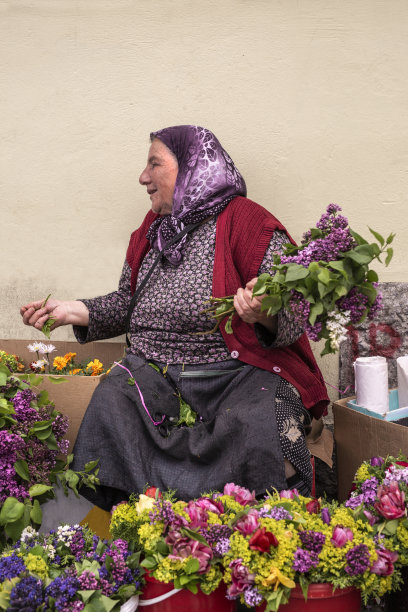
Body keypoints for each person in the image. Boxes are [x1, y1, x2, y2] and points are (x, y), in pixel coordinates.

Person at [20, 125, 329, 511]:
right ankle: (140, 527)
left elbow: (292, 311)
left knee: (260, 422)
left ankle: (260, 530)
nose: (143, 177)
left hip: (237, 376)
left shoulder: (248, 223)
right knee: (112, 402)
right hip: (155, 374)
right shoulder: (151, 231)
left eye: (154, 164)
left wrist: (265, 311)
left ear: (192, 168)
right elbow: (128, 304)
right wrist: (71, 311)